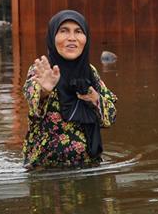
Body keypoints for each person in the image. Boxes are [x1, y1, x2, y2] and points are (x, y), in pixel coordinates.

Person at [23, 9, 117, 169]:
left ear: (86, 38)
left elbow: (110, 117)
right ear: (53, 37)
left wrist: (95, 99)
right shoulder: (43, 69)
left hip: (89, 167)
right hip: (46, 173)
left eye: (78, 32)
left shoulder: (90, 72)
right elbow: (31, 97)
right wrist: (44, 91)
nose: (72, 38)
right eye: (64, 31)